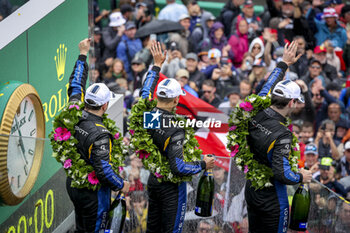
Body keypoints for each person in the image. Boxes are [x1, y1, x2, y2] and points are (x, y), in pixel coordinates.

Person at [140, 41, 215, 233]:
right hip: (171, 187)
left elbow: (144, 93)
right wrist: (203, 164)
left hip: (153, 181)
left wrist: (156, 66)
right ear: (176, 99)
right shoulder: (176, 127)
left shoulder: (148, 115)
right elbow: (179, 167)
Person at [245, 41, 312, 233]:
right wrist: (301, 176)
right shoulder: (284, 134)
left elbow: (266, 87)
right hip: (272, 197)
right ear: (291, 102)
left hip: (251, 188)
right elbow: (281, 173)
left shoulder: (255, 110)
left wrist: (283, 64)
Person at [66, 38, 130, 232]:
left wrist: (82, 54)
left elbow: (75, 84)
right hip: (92, 193)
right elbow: (103, 171)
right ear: (105, 105)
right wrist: (121, 184)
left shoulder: (73, 111)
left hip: (73, 184)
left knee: (80, 227)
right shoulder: (102, 135)